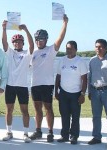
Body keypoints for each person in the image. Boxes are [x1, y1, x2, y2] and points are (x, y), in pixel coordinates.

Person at [30, 14, 68, 142]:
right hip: (35, 84)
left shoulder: (51, 50)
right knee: (37, 109)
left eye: (41, 39)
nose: (39, 41)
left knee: (48, 108)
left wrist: (65, 23)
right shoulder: (32, 52)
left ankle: (50, 132)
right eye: (37, 39)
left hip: (47, 84)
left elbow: (60, 38)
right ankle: (38, 131)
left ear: (46, 40)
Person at [1, 21, 34, 143]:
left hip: (22, 86)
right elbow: (4, 43)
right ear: (13, 44)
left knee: (24, 111)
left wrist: (25, 29)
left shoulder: (27, 54)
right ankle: (9, 132)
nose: (17, 43)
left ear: (22, 43)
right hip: (10, 85)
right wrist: (4, 28)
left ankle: (25, 133)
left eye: (19, 41)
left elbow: (32, 45)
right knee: (9, 110)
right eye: (15, 42)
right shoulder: (10, 53)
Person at [54, 41, 88, 144]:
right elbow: (58, 76)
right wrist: (56, 91)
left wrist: (82, 94)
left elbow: (85, 79)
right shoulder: (62, 60)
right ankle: (64, 136)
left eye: (71, 48)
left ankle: (74, 136)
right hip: (63, 92)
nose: (69, 50)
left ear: (76, 50)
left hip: (76, 93)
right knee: (64, 115)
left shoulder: (80, 61)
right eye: (67, 48)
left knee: (75, 116)